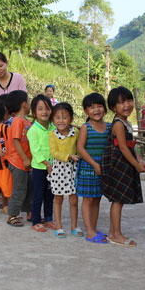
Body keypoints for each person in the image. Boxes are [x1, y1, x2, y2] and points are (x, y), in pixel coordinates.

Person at [100, 87, 145, 247]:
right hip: (117, 164)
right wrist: (136, 165)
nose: (126, 105)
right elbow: (123, 148)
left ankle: (113, 233)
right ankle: (116, 234)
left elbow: (131, 145)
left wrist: (139, 160)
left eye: (128, 100)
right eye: (121, 103)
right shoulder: (118, 124)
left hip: (124, 163)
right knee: (118, 200)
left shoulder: (126, 123)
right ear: (113, 107)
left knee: (119, 200)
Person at [77, 93, 110, 243]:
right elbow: (80, 149)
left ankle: (94, 228)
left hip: (102, 169)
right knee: (88, 199)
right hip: (88, 168)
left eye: (99, 106)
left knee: (97, 198)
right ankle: (89, 231)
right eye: (91, 107)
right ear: (86, 111)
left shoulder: (109, 127)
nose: (96, 110)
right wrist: (94, 164)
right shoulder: (86, 127)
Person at [48, 102, 82, 238]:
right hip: (59, 169)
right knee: (58, 199)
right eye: (57, 117)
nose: (61, 120)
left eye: (64, 117)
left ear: (71, 119)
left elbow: (80, 147)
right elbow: (54, 152)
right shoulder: (52, 134)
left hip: (73, 169)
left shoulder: (76, 132)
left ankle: (74, 226)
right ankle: (59, 226)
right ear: (53, 120)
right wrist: (69, 156)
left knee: (74, 200)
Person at [27, 94, 55, 233]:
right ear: (34, 113)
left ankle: (49, 219)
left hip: (54, 167)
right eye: (40, 109)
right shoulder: (33, 130)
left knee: (50, 194)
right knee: (38, 194)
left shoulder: (53, 127)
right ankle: (36, 220)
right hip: (39, 167)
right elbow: (35, 151)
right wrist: (47, 164)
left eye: (47, 108)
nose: (44, 112)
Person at [5, 90, 33, 227]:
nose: (29, 104)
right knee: (19, 188)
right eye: (28, 101)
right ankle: (12, 215)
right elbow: (16, 141)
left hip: (25, 162)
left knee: (28, 188)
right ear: (24, 104)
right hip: (18, 161)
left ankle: (29, 212)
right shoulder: (17, 121)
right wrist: (25, 159)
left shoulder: (26, 121)